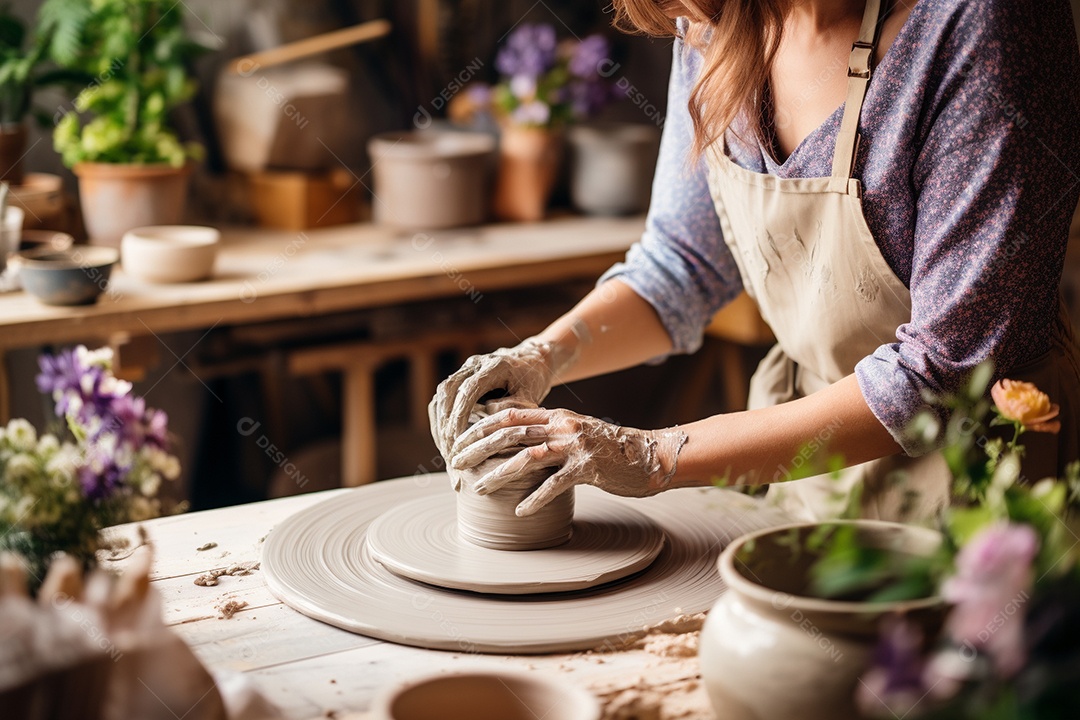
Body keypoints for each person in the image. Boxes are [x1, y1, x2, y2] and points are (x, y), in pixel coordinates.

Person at [430, 0, 1080, 523]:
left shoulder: (982, 21)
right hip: (809, 476)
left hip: (981, 502)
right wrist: (541, 356)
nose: (687, 20)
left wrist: (653, 456)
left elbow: (942, 372)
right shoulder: (717, 19)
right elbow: (682, 265)